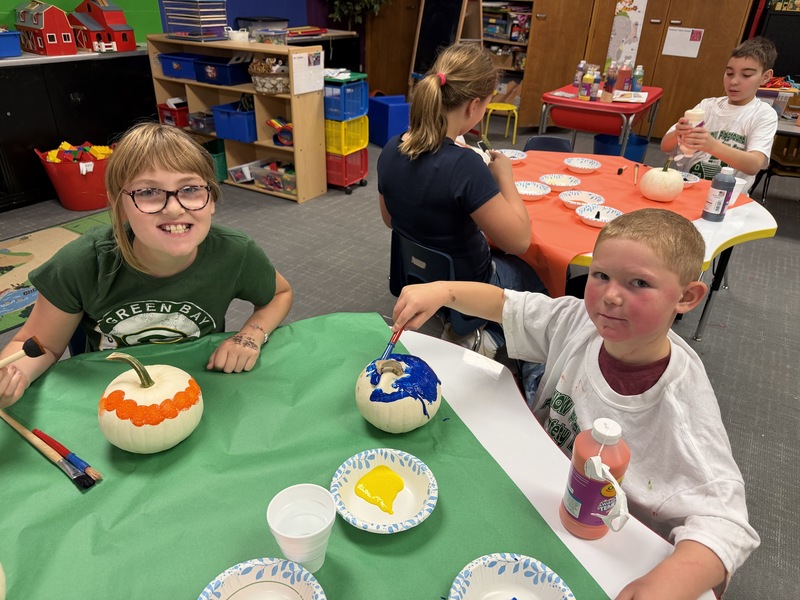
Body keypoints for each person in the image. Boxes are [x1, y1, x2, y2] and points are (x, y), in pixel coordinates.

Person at [390, 208, 759, 599]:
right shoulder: (579, 321)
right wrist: (444, 291)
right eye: (601, 276)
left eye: (638, 283)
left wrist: (664, 584)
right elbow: (505, 304)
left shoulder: (682, 405)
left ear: (686, 297)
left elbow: (728, 525)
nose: (610, 296)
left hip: (604, 541)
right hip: (540, 490)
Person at [0, 123, 293, 407]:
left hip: (199, 383)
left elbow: (278, 295)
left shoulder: (235, 252)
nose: (175, 208)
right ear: (119, 205)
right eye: (148, 192)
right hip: (108, 391)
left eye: (190, 189)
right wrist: (14, 376)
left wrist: (249, 337)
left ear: (212, 199)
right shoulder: (82, 263)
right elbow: (41, 346)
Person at [377, 43, 546, 357]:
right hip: (468, 277)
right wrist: (504, 178)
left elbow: (390, 220)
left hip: (415, 271)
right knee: (531, 276)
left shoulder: (390, 149)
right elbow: (520, 241)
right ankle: (504, 344)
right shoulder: (464, 166)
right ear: (473, 106)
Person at [661, 36, 778, 191]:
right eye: (729, 73)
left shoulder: (763, 114)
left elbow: (754, 165)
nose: (734, 81)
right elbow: (664, 146)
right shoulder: (707, 106)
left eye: (746, 75)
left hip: (727, 199)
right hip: (688, 189)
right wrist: (677, 133)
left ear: (765, 77)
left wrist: (711, 145)